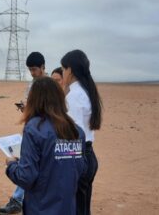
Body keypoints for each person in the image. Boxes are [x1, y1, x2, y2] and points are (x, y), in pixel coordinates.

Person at [5, 77, 87, 215]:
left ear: (34, 100)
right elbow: (81, 169)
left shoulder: (34, 128)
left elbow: (26, 177)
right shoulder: (77, 131)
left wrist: (12, 165)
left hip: (41, 208)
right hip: (68, 208)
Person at [0, 52, 46, 214]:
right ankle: (18, 199)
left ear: (42, 67)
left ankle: (18, 199)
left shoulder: (49, 86)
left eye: (34, 69)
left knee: (31, 165)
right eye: (30, 70)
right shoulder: (32, 85)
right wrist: (25, 108)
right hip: (31, 128)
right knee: (28, 163)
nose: (32, 73)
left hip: (44, 133)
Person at [61, 49, 103, 215]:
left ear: (70, 70)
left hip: (78, 157)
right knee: (83, 208)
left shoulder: (75, 96)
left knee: (76, 209)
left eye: (63, 69)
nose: (63, 73)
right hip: (88, 155)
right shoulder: (86, 92)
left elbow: (73, 135)